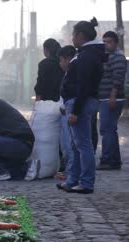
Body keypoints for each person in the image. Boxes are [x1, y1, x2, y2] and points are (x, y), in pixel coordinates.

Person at [57, 18, 106, 194]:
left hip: (81, 103)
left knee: (83, 144)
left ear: (80, 35)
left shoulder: (87, 55)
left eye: (73, 34)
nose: (72, 38)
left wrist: (76, 110)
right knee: (76, 144)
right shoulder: (86, 53)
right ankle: (73, 180)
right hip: (79, 101)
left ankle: (86, 182)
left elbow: (84, 85)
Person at [97, 31, 127, 170]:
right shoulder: (107, 56)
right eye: (104, 41)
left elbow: (118, 79)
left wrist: (112, 96)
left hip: (111, 98)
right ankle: (114, 161)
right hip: (106, 98)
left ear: (116, 43)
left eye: (108, 42)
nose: (106, 44)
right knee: (110, 130)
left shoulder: (118, 57)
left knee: (107, 129)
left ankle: (107, 160)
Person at [57, 45, 77, 180]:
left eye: (61, 60)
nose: (60, 63)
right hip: (67, 110)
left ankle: (71, 173)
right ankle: (71, 172)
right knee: (68, 143)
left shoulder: (74, 74)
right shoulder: (69, 73)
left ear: (67, 59)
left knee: (70, 144)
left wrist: (70, 109)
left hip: (71, 112)